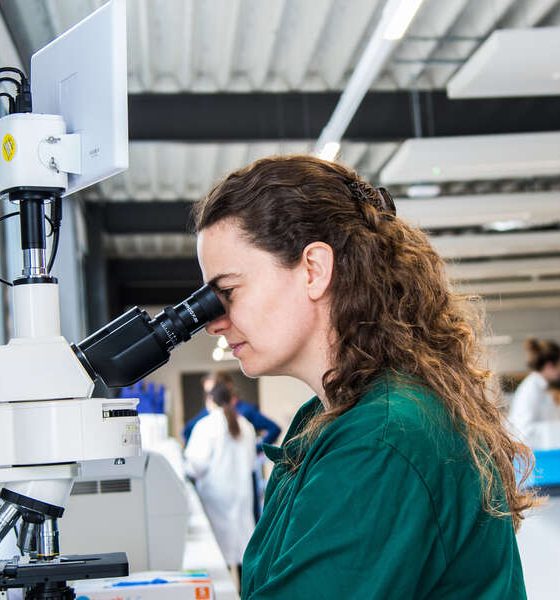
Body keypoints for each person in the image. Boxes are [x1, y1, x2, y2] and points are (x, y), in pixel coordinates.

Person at [193, 155, 534, 598]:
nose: (213, 323)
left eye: (227, 292)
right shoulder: (324, 419)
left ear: (314, 270)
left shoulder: (382, 437)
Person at [183, 376, 257, 582]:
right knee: (243, 545)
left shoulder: (205, 426)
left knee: (218, 550)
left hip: (215, 497)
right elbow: (251, 462)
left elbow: (195, 466)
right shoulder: (247, 426)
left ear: (210, 400)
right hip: (242, 493)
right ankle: (245, 590)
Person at [507, 338, 560, 436]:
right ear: (549, 366)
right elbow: (523, 429)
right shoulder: (531, 389)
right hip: (532, 444)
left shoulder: (541, 387)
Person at [182, 371, 281, 447]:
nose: (211, 396)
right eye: (208, 393)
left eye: (213, 390)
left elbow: (274, 429)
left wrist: (256, 448)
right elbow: (187, 431)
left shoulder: (246, 410)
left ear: (228, 386)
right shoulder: (207, 413)